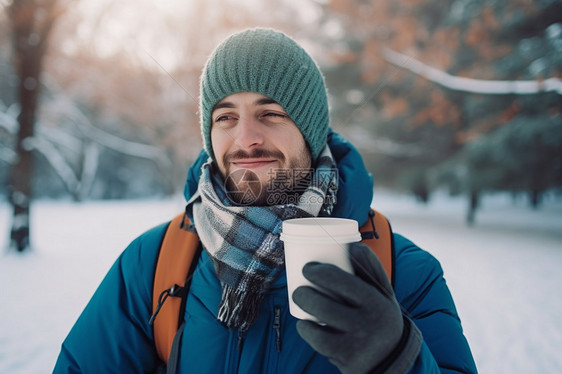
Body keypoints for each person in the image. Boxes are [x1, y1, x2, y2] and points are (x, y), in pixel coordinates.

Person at [54, 28, 477, 373]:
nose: (246, 138)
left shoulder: (404, 270)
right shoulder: (152, 264)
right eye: (225, 118)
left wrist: (399, 357)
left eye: (271, 113)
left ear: (310, 133)